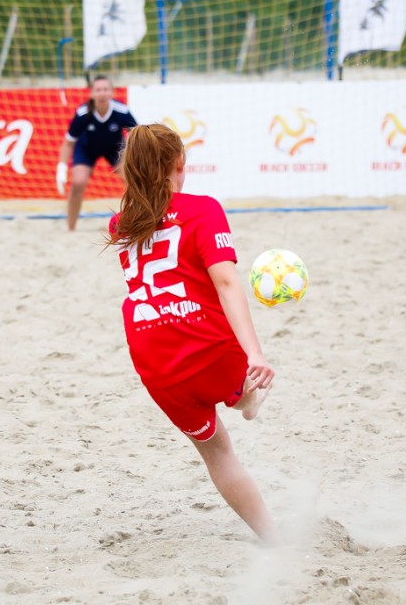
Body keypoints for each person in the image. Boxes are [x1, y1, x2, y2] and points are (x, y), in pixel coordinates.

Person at [106, 123, 280, 544]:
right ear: (180, 163)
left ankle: (274, 540)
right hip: (211, 349)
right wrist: (255, 352)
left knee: (218, 453)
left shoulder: (119, 224)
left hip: (155, 365)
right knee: (241, 384)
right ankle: (246, 397)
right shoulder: (203, 209)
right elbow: (226, 282)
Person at [57, 75, 137, 231]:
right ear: (92, 93)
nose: (102, 93)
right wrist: (61, 169)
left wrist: (133, 158)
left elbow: (137, 134)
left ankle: (135, 223)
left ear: (112, 92)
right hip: (87, 149)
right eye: (98, 90)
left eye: (106, 89)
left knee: (133, 181)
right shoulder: (82, 114)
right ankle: (71, 228)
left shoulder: (122, 111)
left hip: (115, 148)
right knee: (78, 182)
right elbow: (68, 142)